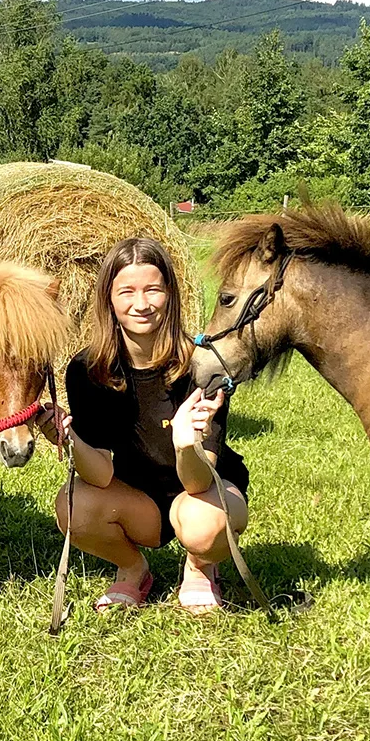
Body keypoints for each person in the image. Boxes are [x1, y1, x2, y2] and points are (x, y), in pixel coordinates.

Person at [41, 237, 251, 614]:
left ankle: (201, 568)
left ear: (170, 294)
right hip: (136, 498)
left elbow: (198, 482)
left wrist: (186, 443)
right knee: (73, 504)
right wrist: (69, 438)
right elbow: (101, 475)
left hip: (203, 492)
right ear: (109, 298)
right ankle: (133, 570)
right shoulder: (87, 371)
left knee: (204, 525)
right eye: (127, 292)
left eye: (153, 289)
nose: (141, 304)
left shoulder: (203, 367)